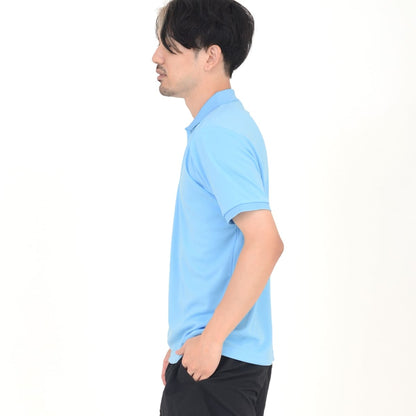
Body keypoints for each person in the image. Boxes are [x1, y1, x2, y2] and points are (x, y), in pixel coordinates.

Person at [152, 1, 284, 414]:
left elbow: (265, 242)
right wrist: (186, 342)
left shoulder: (219, 134)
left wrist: (210, 339)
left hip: (218, 366)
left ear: (210, 56)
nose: (156, 57)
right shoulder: (227, 125)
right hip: (220, 361)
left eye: (169, 47)